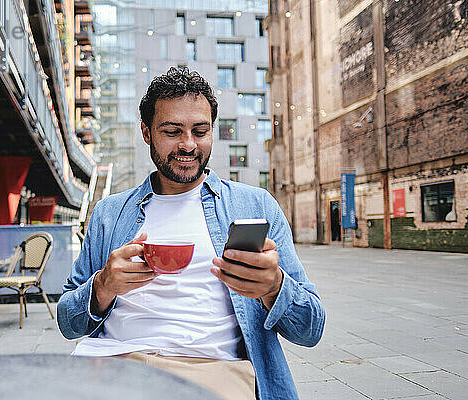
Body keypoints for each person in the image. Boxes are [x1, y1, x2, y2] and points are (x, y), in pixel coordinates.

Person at [57, 67, 325, 400]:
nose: (188, 145)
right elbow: (68, 322)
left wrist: (274, 287)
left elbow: (310, 329)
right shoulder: (109, 214)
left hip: (212, 370)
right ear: (147, 132)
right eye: (172, 131)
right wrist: (103, 285)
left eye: (200, 131)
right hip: (115, 364)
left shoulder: (254, 206)